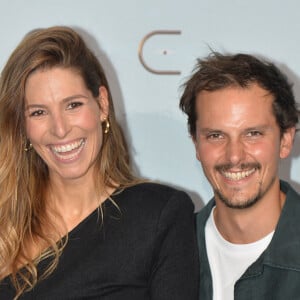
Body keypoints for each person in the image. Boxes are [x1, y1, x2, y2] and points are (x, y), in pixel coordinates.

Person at [0, 26, 199, 300]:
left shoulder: (158, 215)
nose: (60, 129)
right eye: (38, 112)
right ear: (22, 127)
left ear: (102, 104)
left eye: (73, 105)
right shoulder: (5, 223)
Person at [179, 52, 300, 299]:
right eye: (216, 135)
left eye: (253, 133)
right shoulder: (169, 249)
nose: (234, 156)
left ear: (285, 140)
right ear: (196, 144)